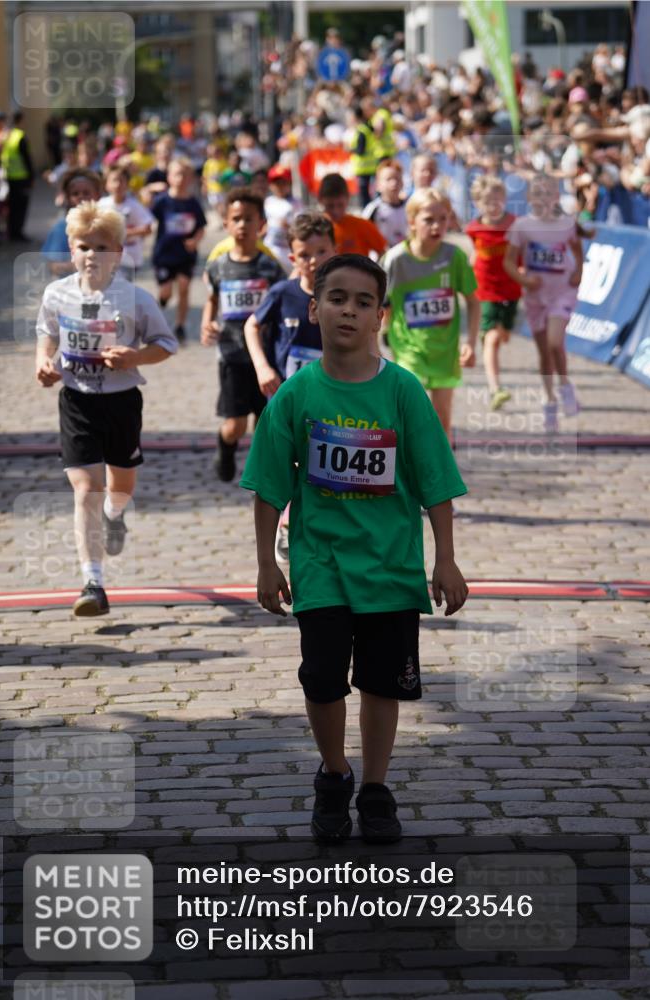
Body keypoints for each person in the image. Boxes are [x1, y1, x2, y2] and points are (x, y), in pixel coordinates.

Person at [240, 253, 469, 844]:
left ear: (380, 316)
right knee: (321, 678)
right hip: (319, 564)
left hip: (391, 567)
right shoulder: (295, 396)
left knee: (381, 682)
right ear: (314, 309)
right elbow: (268, 486)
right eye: (337, 298)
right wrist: (267, 562)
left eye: (363, 302)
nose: (349, 309)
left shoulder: (404, 391)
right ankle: (334, 775)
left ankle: (374, 787)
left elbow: (435, 479)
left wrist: (444, 557)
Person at [34, 201, 177, 616]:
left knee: (121, 486)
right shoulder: (56, 294)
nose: (92, 255)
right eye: (83, 246)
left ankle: (116, 515)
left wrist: (134, 357)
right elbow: (47, 333)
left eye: (101, 247)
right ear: (71, 251)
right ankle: (92, 582)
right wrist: (43, 363)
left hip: (121, 402)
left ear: (118, 252)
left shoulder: (134, 299)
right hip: (77, 401)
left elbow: (165, 345)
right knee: (85, 489)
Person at [243, 212, 337, 561]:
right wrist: (263, 366)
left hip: (331, 395)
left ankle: (315, 524)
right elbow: (252, 327)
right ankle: (286, 523)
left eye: (322, 251)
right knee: (295, 463)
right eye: (305, 254)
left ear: (334, 250)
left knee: (321, 462)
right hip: (288, 396)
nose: (314, 261)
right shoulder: (283, 293)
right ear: (293, 257)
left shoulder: (342, 295)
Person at [201, 188, 286, 482]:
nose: (242, 225)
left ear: (261, 224)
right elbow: (212, 299)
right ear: (225, 224)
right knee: (235, 424)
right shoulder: (218, 266)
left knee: (263, 423)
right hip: (232, 355)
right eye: (236, 219)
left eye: (249, 219)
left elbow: (280, 304)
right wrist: (207, 323)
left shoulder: (270, 267)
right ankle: (225, 446)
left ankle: (260, 472)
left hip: (265, 358)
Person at [381, 188, 480, 442]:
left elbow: (472, 300)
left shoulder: (454, 257)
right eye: (429, 219)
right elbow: (380, 305)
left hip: (445, 352)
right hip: (408, 350)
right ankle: (409, 472)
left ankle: (441, 477)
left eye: (443, 218)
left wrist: (470, 342)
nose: (437, 226)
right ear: (412, 222)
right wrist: (377, 342)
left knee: (441, 419)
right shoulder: (395, 259)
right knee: (410, 414)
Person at [503, 174, 583, 433]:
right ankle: (549, 400)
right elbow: (508, 261)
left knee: (554, 341)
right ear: (528, 199)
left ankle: (565, 385)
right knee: (544, 352)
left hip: (562, 292)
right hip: (536, 297)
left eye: (548, 193)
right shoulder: (522, 227)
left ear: (556, 197)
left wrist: (579, 270)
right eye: (537, 194)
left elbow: (577, 249)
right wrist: (523, 279)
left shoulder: (566, 224)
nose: (543, 199)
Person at [464, 175, 522, 411]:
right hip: (485, 290)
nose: (494, 204)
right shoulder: (474, 228)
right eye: (488, 200)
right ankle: (495, 389)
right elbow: (474, 254)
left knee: (503, 336)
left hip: (511, 288)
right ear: (478, 203)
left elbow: (523, 250)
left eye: (498, 199)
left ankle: (492, 334)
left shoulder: (515, 225)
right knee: (492, 340)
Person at [152, 157, 207, 344]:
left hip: (186, 255)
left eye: (185, 175)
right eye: (177, 174)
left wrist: (195, 240)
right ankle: (163, 300)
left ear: (191, 179)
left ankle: (180, 325)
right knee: (167, 291)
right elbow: (147, 218)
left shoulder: (193, 203)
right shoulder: (162, 201)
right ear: (169, 177)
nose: (181, 178)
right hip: (165, 254)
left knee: (184, 288)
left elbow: (201, 227)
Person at [41, 168, 102, 277]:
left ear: (98, 195)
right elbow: (53, 266)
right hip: (71, 290)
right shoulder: (62, 228)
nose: (81, 196)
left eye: (86, 193)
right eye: (75, 193)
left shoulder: (106, 225)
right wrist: (81, 265)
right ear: (68, 198)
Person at [100, 164, 154, 281]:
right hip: (106, 256)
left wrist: (124, 233)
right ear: (106, 184)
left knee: (121, 286)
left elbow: (148, 229)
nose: (118, 184)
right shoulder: (101, 205)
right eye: (114, 180)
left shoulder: (134, 206)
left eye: (121, 181)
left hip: (129, 256)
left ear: (127, 184)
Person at [318, 173, 387, 259]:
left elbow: (383, 252)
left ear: (348, 198)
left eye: (340, 205)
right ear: (320, 199)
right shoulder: (316, 229)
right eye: (330, 206)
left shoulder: (361, 225)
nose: (335, 211)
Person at [263, 163, 302, 273]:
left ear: (289, 183)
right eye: (276, 183)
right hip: (271, 247)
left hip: (288, 249)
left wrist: (289, 226)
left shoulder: (296, 203)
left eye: (283, 183)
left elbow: (301, 224)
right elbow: (266, 221)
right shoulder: (268, 202)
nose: (279, 186)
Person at [0, 111, 34, 241]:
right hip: (21, 177)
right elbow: (27, 159)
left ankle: (11, 231)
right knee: (21, 207)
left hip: (9, 176)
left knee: (11, 206)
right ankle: (17, 233)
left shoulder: (7, 135)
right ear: (20, 121)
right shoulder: (20, 136)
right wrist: (31, 177)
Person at [362, 159, 408, 249]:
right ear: (378, 185)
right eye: (388, 179)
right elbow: (363, 234)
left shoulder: (409, 207)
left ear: (402, 183)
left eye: (397, 179)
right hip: (380, 259)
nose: (393, 183)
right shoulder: (373, 209)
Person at [349, 100, 378, 207]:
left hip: (363, 168)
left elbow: (360, 150)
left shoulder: (362, 130)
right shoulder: (368, 128)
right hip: (371, 166)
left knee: (365, 198)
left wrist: (351, 150)